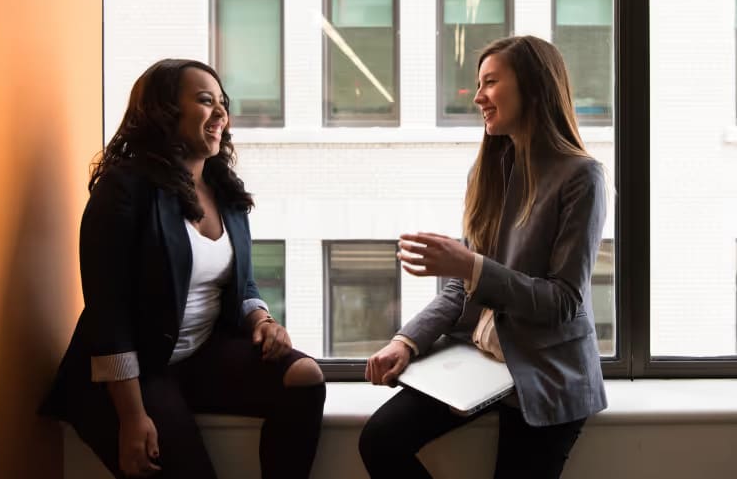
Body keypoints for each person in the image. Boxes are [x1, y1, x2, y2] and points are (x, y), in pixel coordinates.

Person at [39, 59, 325, 479]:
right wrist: (132, 419)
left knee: (305, 377)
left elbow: (240, 282)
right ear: (164, 112)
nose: (221, 114)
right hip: (133, 373)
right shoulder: (124, 189)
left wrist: (262, 318)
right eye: (205, 101)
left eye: (223, 104)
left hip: (197, 355)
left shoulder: (223, 189)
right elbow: (109, 312)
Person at [359, 35, 608, 479]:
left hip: (547, 373)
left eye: (490, 82)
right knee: (379, 440)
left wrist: (470, 266)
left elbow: (564, 301)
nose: (477, 97)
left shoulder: (581, 177)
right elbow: (462, 287)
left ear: (533, 86)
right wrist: (407, 341)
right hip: (482, 364)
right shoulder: (489, 170)